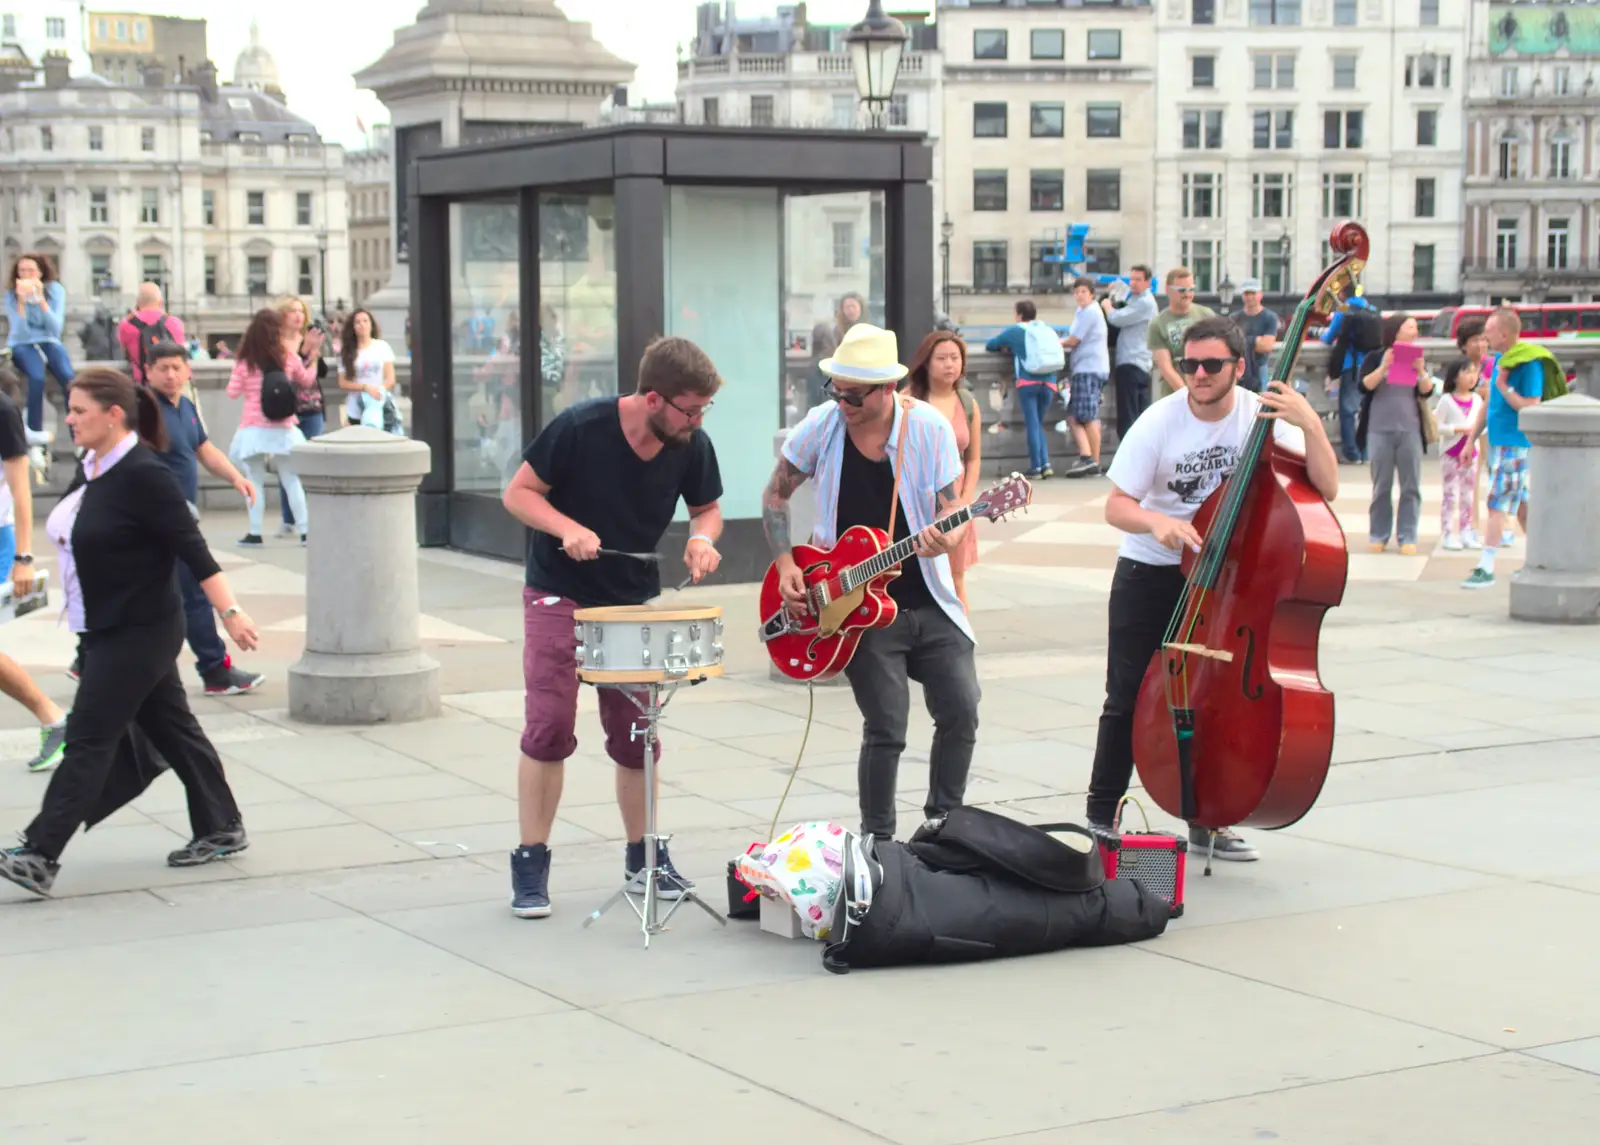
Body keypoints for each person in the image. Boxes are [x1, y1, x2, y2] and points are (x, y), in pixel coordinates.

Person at [1086, 317, 1339, 860]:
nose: (1197, 374)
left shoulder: (1262, 416)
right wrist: (1157, 523)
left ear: (1240, 367)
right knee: (1128, 696)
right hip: (1152, 571)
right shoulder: (1160, 421)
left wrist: (1311, 425)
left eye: (1211, 365)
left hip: (1227, 579)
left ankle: (1211, 816)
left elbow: (1328, 486)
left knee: (1213, 699)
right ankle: (1100, 814)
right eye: (1189, 365)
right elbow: (1116, 505)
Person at [0, 369, 258, 897]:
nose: (67, 420)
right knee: (174, 729)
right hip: (106, 626)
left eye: (78, 411)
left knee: (89, 740)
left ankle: (40, 853)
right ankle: (221, 825)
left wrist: (231, 614)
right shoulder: (92, 466)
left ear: (113, 415)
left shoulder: (145, 474)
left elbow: (193, 550)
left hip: (138, 631)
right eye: (68, 410)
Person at [500, 336, 724, 919]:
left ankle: (644, 857)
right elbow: (518, 494)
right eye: (691, 409)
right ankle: (531, 861)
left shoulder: (689, 441)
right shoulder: (580, 426)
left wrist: (702, 538)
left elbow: (707, 508)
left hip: (628, 598)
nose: (698, 421)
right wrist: (565, 527)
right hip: (558, 588)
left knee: (637, 734)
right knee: (548, 725)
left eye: (704, 410)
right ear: (654, 399)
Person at [764, 323, 979, 844]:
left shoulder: (927, 429)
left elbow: (955, 509)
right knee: (887, 725)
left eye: (854, 395)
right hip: (853, 606)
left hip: (927, 598)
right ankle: (879, 844)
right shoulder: (823, 425)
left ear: (888, 389)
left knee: (962, 708)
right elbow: (775, 495)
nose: (843, 403)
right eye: (835, 391)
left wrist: (945, 537)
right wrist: (787, 563)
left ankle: (943, 826)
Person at [145, 341, 266, 694]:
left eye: (176, 368)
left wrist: (236, 477)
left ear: (187, 371)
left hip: (180, 518)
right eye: (163, 368)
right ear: (148, 371)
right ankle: (215, 670)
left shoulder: (185, 406)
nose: (170, 375)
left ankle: (88, 658)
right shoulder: (143, 410)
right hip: (158, 519)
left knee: (159, 593)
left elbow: (203, 448)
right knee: (196, 591)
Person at [1462, 308, 1557, 590]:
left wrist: (1504, 386)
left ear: (1504, 333)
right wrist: (1470, 440)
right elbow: (1489, 406)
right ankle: (1545, 559)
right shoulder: (1501, 359)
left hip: (1515, 444)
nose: (1485, 337)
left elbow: (1531, 405)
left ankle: (1486, 567)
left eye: (1488, 332)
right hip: (1500, 442)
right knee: (1523, 507)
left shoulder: (1526, 364)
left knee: (1497, 503)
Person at [0, 375, 68, 771]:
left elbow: (21, 488)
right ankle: (53, 719)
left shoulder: (3, 410)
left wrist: (24, 555)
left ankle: (53, 717)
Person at [902, 330, 981, 612]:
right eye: (942, 358)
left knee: (955, 576)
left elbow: (973, 459)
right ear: (926, 362)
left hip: (955, 501)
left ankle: (960, 639)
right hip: (917, 497)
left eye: (955, 358)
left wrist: (965, 501)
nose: (950, 364)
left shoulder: (967, 402)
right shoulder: (907, 400)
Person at [226, 308, 319, 546]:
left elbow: (232, 393)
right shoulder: (287, 357)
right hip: (284, 427)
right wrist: (314, 357)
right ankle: (306, 532)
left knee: (253, 479)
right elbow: (306, 380)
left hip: (254, 428)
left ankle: (255, 533)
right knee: (291, 479)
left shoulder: (246, 361)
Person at [1355, 314, 1435, 556]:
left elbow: (1426, 391)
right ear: (1395, 330)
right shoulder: (1375, 356)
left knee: (1411, 486)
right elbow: (1364, 385)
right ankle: (1379, 534)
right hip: (1379, 429)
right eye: (1409, 326)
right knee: (1381, 486)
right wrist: (1384, 367)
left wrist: (1421, 371)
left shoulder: (1417, 358)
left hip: (1409, 429)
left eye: (1415, 326)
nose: (1414, 330)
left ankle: (1407, 535)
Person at [986, 300, 1068, 479]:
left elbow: (991, 344)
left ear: (1019, 314)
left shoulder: (1015, 331)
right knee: (1038, 423)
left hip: (1028, 382)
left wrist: (1006, 346)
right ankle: (1045, 464)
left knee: (1033, 424)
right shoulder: (1046, 329)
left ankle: (1036, 467)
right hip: (1049, 382)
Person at [274, 296, 329, 536]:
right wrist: (304, 351)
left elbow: (320, 373)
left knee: (309, 464)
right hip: (287, 410)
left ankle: (309, 518)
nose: (298, 315)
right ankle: (288, 519)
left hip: (312, 408)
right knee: (286, 463)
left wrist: (314, 352)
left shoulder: (308, 338)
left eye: (300, 310)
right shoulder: (278, 342)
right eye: (292, 310)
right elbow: (287, 373)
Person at [5, 253, 77, 434]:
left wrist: (41, 300)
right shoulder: (11, 294)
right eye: (22, 271)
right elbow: (20, 331)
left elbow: (55, 328)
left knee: (69, 378)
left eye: (31, 270)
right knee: (36, 377)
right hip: (22, 343)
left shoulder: (55, 290)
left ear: (40, 273)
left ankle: (75, 426)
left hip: (49, 340)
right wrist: (22, 303)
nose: (27, 275)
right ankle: (34, 430)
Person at [1320, 285, 1381, 463]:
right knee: (1366, 410)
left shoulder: (1344, 309)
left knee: (1348, 410)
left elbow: (1329, 337)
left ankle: (1351, 453)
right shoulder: (1372, 309)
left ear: (1343, 294)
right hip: (1371, 366)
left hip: (1351, 365)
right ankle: (1367, 452)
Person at [1102, 265, 1159, 439]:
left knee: (1129, 416)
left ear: (1148, 282)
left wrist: (1106, 304)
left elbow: (1116, 318)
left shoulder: (1144, 302)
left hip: (1132, 362)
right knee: (1139, 415)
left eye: (1138, 280)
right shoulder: (1136, 299)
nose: (1133, 283)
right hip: (1139, 363)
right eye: (1131, 279)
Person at [1061, 277, 1110, 477]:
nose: (1080, 295)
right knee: (1078, 415)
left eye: (1083, 291)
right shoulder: (1083, 312)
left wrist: (1052, 344)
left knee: (1084, 417)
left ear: (1091, 294)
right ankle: (1090, 460)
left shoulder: (1090, 312)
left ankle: (1090, 460)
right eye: (1077, 291)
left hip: (1088, 369)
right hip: (1088, 368)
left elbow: (1073, 341)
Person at [1433, 359, 1483, 552]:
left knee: (1468, 494)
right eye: (1466, 372)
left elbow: (1481, 425)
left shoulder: (1477, 400)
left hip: (1471, 452)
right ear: (1455, 377)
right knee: (1450, 493)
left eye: (1473, 372)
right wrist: (1458, 429)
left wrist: (1474, 432)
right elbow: (1438, 426)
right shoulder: (1446, 400)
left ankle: (1466, 531)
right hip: (1450, 452)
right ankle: (1447, 533)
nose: (1471, 377)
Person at [1146, 267, 1216, 398]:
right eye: (1182, 290)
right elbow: (1165, 367)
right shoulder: (1157, 324)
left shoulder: (1207, 315)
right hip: (1174, 395)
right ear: (1167, 290)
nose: (1187, 294)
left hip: (1207, 390)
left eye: (1191, 289)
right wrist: (1188, 395)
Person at [116, 282, 185, 387]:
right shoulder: (175, 322)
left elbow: (125, 353)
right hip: (175, 385)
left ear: (138, 303)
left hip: (145, 386)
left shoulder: (126, 325)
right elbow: (182, 355)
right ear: (161, 302)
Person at [337, 308, 397, 430]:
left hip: (377, 404)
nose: (362, 324)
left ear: (371, 324)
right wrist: (365, 388)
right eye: (357, 322)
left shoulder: (382, 347)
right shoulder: (346, 352)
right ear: (353, 327)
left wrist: (379, 392)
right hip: (355, 408)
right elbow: (342, 382)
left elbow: (390, 378)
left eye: (365, 321)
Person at [1230, 279, 1280, 393]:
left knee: (1261, 402)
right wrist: (1255, 340)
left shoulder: (1270, 317)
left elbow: (1266, 346)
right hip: (1238, 366)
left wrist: (1243, 340)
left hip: (1260, 367)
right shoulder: (1234, 317)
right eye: (1247, 293)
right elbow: (1230, 343)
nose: (1250, 297)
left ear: (1260, 295)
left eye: (1253, 293)